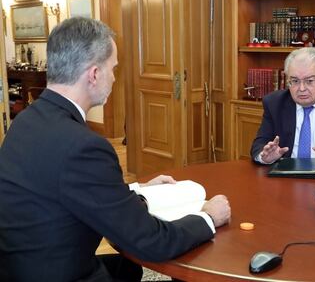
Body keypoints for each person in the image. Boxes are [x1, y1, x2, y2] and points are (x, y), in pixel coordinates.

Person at [0, 17, 231, 282]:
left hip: (21, 266)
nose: (113, 77)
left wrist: (136, 191)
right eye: (113, 68)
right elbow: (151, 241)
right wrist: (208, 218)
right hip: (62, 273)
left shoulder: (27, 120)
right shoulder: (83, 146)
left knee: (127, 268)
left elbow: (66, 186)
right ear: (94, 74)